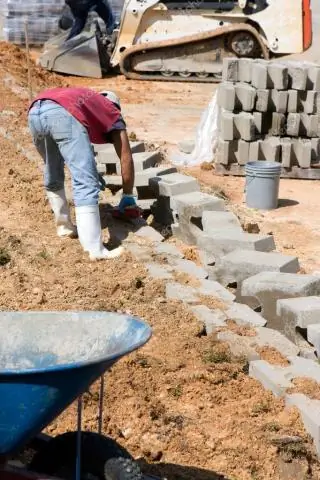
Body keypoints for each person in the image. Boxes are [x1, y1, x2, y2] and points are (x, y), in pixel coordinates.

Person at [27, 87, 137, 260]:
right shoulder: (112, 111)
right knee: (85, 183)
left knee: (52, 170)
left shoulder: (87, 101)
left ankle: (64, 227)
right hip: (63, 114)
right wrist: (128, 195)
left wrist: (90, 170)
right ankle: (94, 250)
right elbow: (126, 156)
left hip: (35, 112)